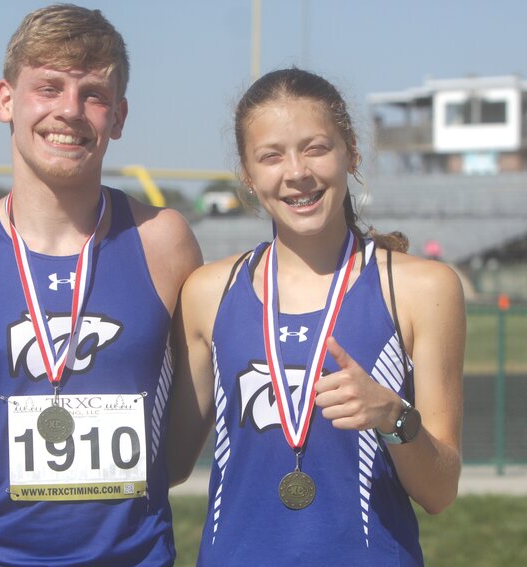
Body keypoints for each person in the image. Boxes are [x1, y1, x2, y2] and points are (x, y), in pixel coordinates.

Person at [0, 4, 201, 566]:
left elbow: (181, 439)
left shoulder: (165, 242)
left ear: (120, 116)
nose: (69, 111)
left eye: (93, 94)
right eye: (49, 87)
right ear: (6, 100)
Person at [168, 68, 465, 565]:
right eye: (271, 156)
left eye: (315, 148)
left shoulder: (421, 289)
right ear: (246, 172)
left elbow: (441, 491)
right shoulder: (207, 292)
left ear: (351, 151)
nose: (296, 172)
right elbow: (170, 464)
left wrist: (393, 417)